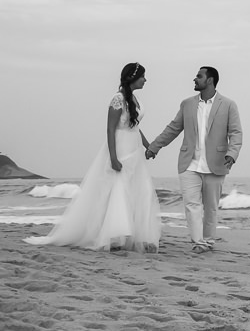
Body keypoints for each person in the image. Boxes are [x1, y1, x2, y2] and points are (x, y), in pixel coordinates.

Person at [25, 63, 161, 252]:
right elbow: (110, 129)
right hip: (120, 147)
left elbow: (135, 126)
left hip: (134, 149)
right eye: (143, 76)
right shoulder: (118, 99)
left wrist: (149, 146)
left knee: (136, 189)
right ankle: (114, 235)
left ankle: (132, 234)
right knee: (118, 189)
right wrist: (113, 157)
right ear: (133, 77)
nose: (145, 80)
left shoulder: (134, 99)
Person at [145, 66, 242, 254]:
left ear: (210, 80)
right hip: (189, 163)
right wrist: (154, 146)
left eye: (199, 76)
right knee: (191, 205)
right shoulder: (187, 104)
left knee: (211, 208)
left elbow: (236, 132)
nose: (195, 79)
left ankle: (208, 241)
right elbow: (173, 128)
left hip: (216, 163)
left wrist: (232, 153)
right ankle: (198, 242)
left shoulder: (229, 105)